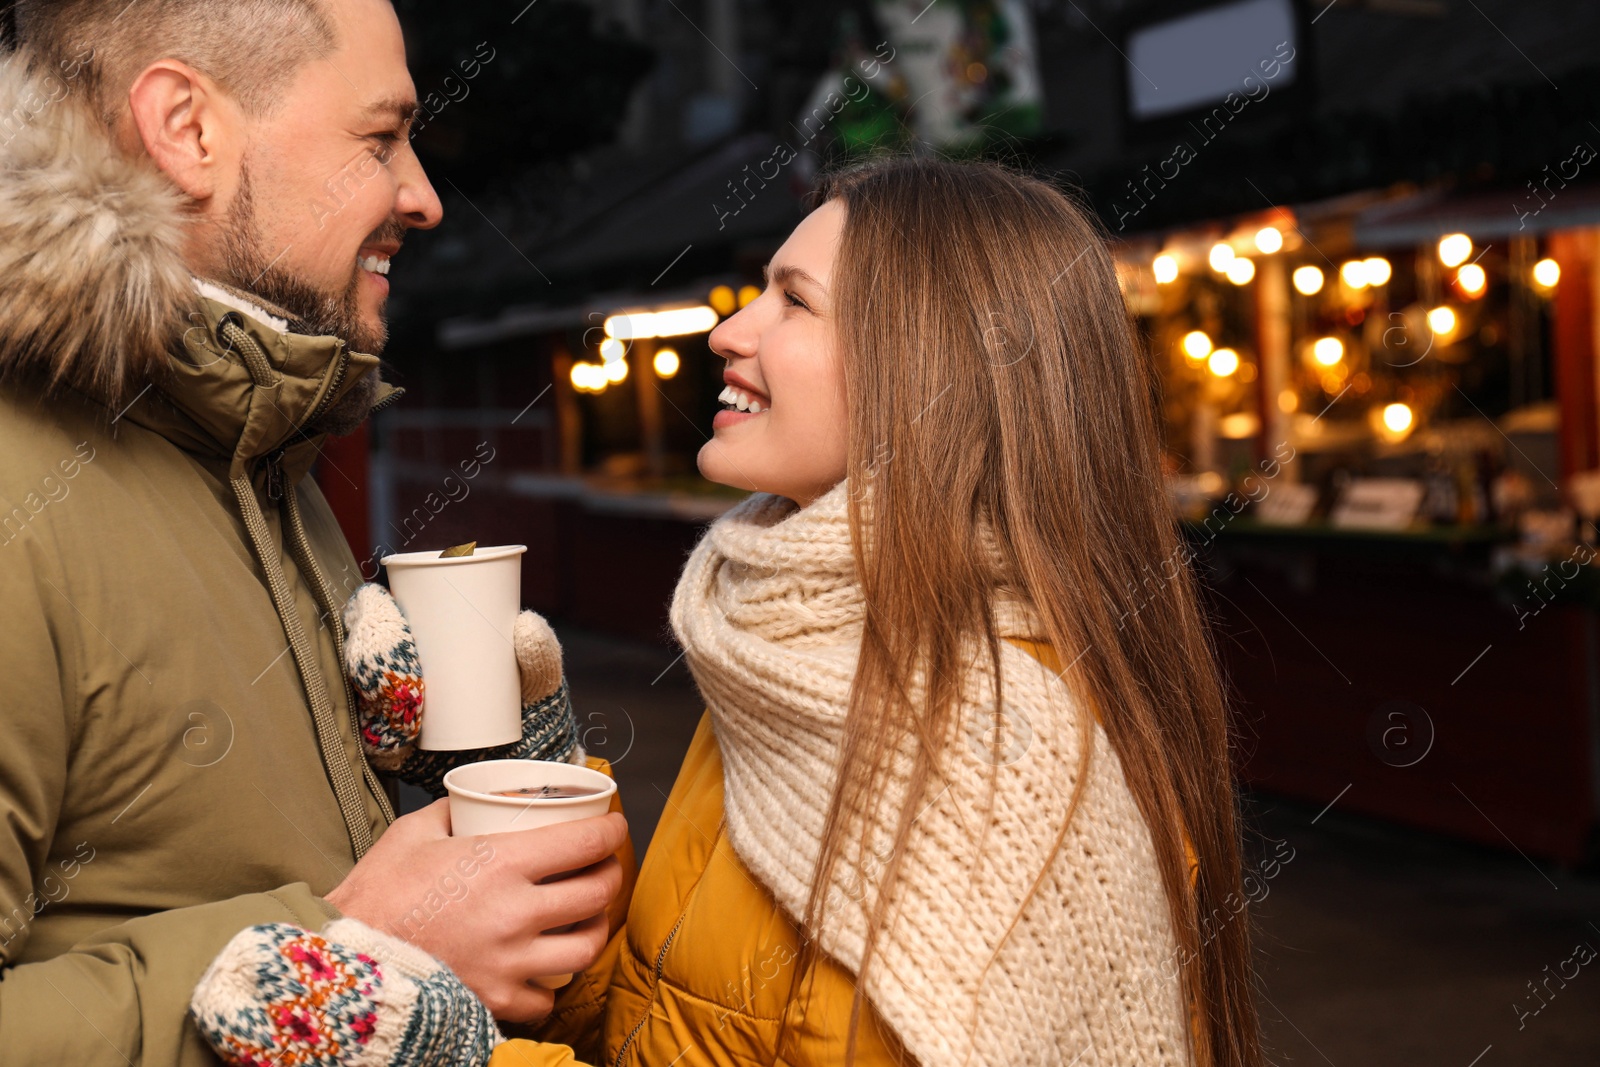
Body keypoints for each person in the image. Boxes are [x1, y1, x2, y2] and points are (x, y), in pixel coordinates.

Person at [526, 158, 1266, 1066]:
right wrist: (542, 821)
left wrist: (417, 1046)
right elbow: (681, 1022)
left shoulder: (991, 764)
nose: (728, 331)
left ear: (929, 374)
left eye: (794, 301)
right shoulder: (787, 658)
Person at [0, 2, 627, 1063]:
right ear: (187, 128)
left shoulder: (263, 447)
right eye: (380, 138)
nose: (421, 194)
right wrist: (345, 956)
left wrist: (461, 795)